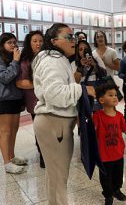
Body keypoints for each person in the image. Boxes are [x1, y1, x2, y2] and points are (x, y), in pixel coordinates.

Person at [32, 23, 95, 205]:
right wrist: (84, 89)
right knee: (59, 178)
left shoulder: (55, 58)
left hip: (54, 121)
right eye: (68, 37)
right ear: (53, 41)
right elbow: (55, 94)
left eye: (74, 36)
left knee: (55, 177)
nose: (74, 41)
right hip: (54, 122)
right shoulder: (54, 60)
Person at [93, 83, 126, 205]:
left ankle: (116, 190)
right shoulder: (98, 116)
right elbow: (92, 130)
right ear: (101, 100)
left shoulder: (119, 116)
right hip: (104, 156)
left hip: (118, 153)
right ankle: (108, 195)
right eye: (110, 95)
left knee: (118, 175)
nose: (115, 97)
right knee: (105, 177)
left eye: (115, 94)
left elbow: (124, 128)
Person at [16, 30, 45, 168]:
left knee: (50, 128)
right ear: (29, 43)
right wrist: (42, 83)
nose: (38, 43)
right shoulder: (25, 61)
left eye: (40, 40)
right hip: (34, 100)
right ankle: (43, 156)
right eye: (35, 41)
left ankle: (51, 154)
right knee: (40, 128)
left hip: (49, 99)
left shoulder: (48, 57)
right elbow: (21, 82)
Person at [0, 32, 27, 174]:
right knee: (5, 131)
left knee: (14, 129)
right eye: (9, 42)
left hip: (16, 98)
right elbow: (5, 78)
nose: (13, 45)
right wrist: (15, 61)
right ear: (2, 44)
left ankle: (12, 156)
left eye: (14, 42)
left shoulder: (14, 57)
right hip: (4, 100)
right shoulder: (1, 58)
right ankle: (6, 163)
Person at [74, 40, 106, 110]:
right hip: (83, 93)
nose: (83, 51)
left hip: (97, 92)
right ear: (77, 52)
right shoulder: (75, 63)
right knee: (84, 113)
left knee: (97, 113)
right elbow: (76, 81)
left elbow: (104, 74)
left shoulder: (96, 58)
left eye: (85, 48)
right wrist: (80, 66)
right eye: (80, 49)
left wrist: (94, 64)